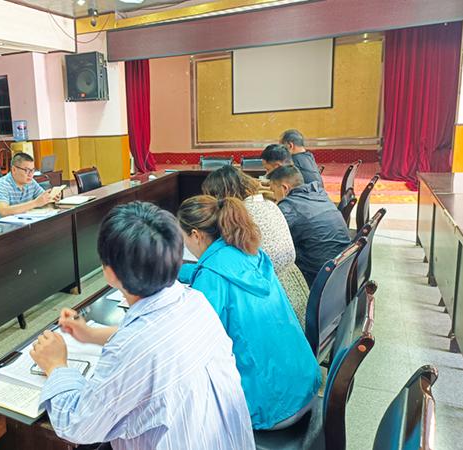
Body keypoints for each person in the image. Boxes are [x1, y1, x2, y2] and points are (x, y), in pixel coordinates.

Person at [30, 201, 255, 450]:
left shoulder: (132, 348)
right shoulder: (195, 301)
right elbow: (155, 338)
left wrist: (56, 365)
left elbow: (77, 426)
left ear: (109, 272)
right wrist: (90, 334)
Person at [177, 195, 321, 430]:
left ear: (195, 235)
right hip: (303, 384)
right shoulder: (251, 254)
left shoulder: (212, 277)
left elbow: (192, 343)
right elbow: (221, 271)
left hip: (270, 407)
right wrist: (179, 272)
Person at [202, 165, 310, 329]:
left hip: (273, 302)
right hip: (296, 288)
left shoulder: (239, 217)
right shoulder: (269, 204)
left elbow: (228, 265)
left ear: (221, 195)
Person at [268, 165, 351, 287]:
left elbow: (272, 241)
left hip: (317, 278)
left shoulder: (289, 208)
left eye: (273, 191)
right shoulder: (319, 193)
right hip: (343, 269)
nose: (274, 196)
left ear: (284, 188)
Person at [0, 152, 54, 222]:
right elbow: (4, 211)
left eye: (32, 170)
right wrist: (35, 203)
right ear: (14, 170)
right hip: (0, 227)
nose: (30, 174)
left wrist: (53, 198)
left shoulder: (31, 182)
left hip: (22, 223)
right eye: (26, 170)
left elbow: (43, 198)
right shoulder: (1, 185)